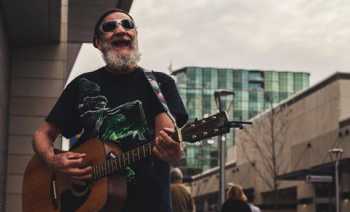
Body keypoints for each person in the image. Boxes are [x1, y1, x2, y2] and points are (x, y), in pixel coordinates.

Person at [32, 8, 188, 212]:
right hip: (87, 205)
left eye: (127, 24)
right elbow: (42, 134)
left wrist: (173, 152)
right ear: (98, 42)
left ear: (135, 36)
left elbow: (166, 142)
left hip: (149, 205)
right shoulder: (82, 85)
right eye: (110, 26)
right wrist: (53, 160)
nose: (121, 29)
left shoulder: (160, 84)